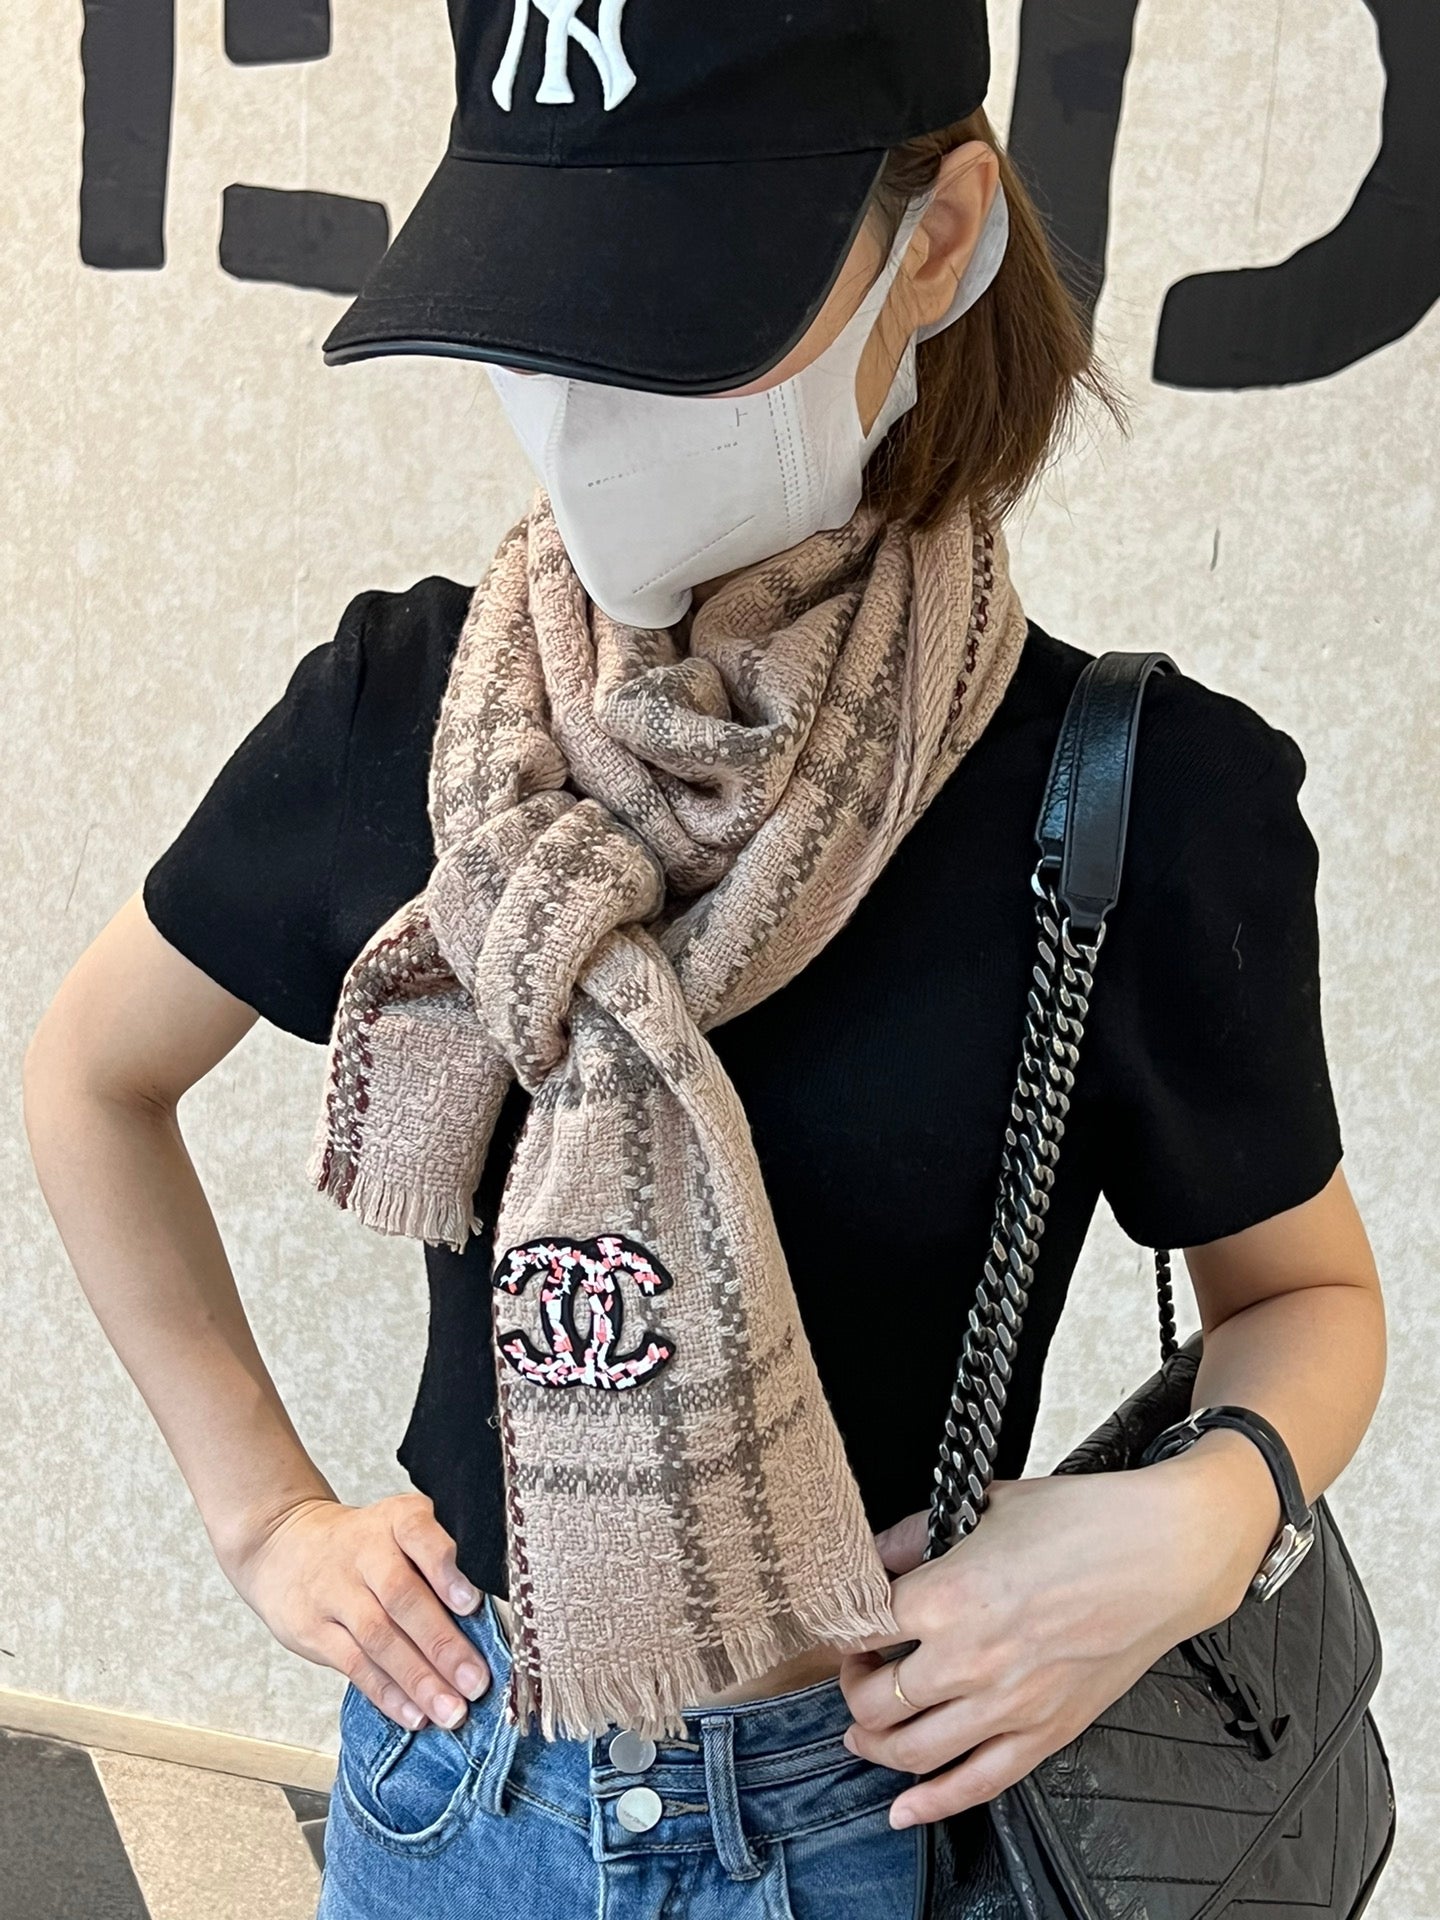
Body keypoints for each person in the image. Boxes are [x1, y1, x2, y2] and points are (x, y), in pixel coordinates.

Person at [23, 1, 1387, 1915]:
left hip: (878, 1807)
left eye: (671, 305)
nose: (581, 403)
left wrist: (1189, 1529)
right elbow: (90, 1076)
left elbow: (1308, 1297)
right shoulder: (412, 714)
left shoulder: (1134, 799)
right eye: (534, 309)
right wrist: (264, 1519)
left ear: (938, 241)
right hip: (455, 1791)